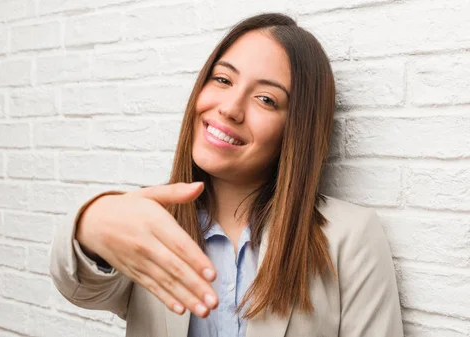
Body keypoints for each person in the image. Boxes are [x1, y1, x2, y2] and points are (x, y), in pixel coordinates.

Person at [49, 13, 404, 337]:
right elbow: (79, 286)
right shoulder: (151, 221)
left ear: (296, 129)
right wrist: (90, 222)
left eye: (266, 99)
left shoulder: (350, 237)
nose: (230, 108)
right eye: (222, 79)